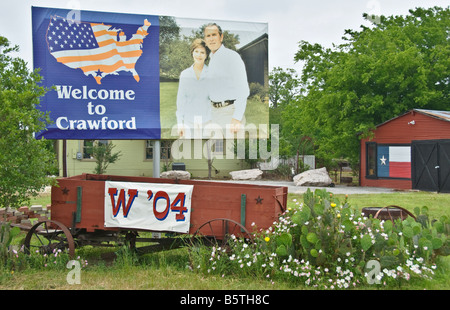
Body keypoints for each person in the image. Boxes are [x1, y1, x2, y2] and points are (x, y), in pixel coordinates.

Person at [203, 23, 250, 135]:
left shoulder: (231, 56)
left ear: (221, 37)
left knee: (231, 152)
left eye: (214, 35)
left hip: (230, 114)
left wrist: (237, 118)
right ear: (205, 40)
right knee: (216, 152)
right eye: (208, 36)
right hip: (215, 113)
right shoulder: (212, 58)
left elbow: (243, 90)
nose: (211, 39)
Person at [175, 39, 211, 138]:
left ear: (206, 55)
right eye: (196, 51)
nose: (199, 55)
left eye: (202, 52)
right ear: (192, 53)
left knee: (207, 152)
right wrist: (180, 123)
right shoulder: (185, 74)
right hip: (188, 122)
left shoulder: (212, 74)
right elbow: (181, 100)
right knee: (189, 152)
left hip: (208, 122)